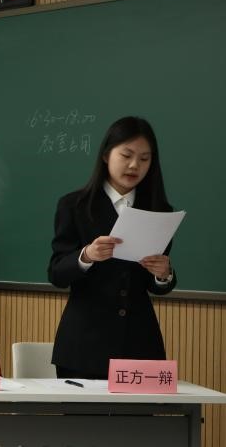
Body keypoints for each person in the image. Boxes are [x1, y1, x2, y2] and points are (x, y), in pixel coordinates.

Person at [48, 116, 176, 379]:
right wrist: (86, 255)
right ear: (106, 155)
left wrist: (163, 274)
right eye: (126, 155)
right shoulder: (75, 205)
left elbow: (155, 286)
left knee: (143, 410)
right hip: (84, 345)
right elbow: (57, 273)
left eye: (144, 159)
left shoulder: (159, 210)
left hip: (140, 344)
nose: (134, 165)